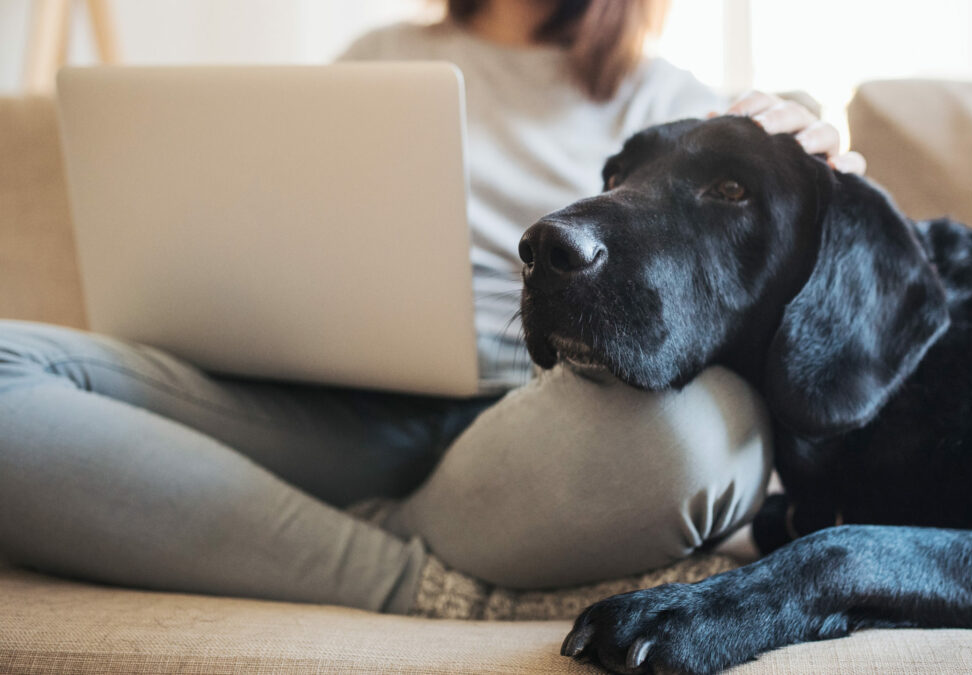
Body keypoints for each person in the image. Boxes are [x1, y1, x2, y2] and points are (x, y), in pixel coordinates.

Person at [0, 0, 864, 615]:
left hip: (538, 431)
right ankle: (417, 578)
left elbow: (780, 258)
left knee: (702, 434)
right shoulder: (374, 57)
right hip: (323, 405)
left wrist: (820, 166)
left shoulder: (669, 101)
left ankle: (263, 523)